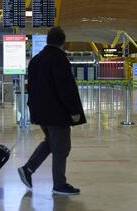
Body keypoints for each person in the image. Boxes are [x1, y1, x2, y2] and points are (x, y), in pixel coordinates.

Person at [17, 26, 87, 196]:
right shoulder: (59, 60)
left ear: (48, 41)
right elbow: (65, 88)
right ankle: (59, 185)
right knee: (62, 148)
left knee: (51, 142)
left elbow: (31, 87)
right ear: (63, 42)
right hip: (57, 114)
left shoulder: (36, 60)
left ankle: (28, 169)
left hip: (41, 113)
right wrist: (74, 110)